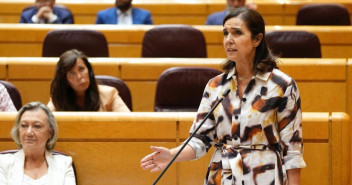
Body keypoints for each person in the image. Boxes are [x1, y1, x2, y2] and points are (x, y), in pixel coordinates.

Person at [141, 8, 306, 185]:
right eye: (225, 33)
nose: (229, 40)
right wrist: (171, 155)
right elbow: (201, 140)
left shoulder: (281, 86)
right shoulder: (216, 86)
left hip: (264, 175)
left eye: (237, 33)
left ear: (257, 39)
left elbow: (292, 150)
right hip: (221, 176)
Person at [0, 101, 76, 184]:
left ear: (50, 132)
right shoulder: (3, 163)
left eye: (37, 126)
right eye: (24, 125)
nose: (29, 132)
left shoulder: (64, 164)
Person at [48, 49, 130, 112]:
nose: (79, 77)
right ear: (65, 80)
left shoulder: (110, 95)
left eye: (81, 69)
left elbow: (129, 122)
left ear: (89, 70)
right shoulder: (58, 100)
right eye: (71, 73)